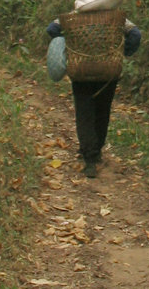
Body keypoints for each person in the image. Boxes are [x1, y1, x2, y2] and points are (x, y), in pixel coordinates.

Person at [46, 16, 141, 178]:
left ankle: (89, 158)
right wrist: (123, 52)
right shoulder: (116, 17)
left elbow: (52, 29)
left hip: (81, 70)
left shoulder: (74, 16)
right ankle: (96, 151)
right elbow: (135, 35)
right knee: (102, 111)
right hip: (108, 71)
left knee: (84, 112)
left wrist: (69, 44)